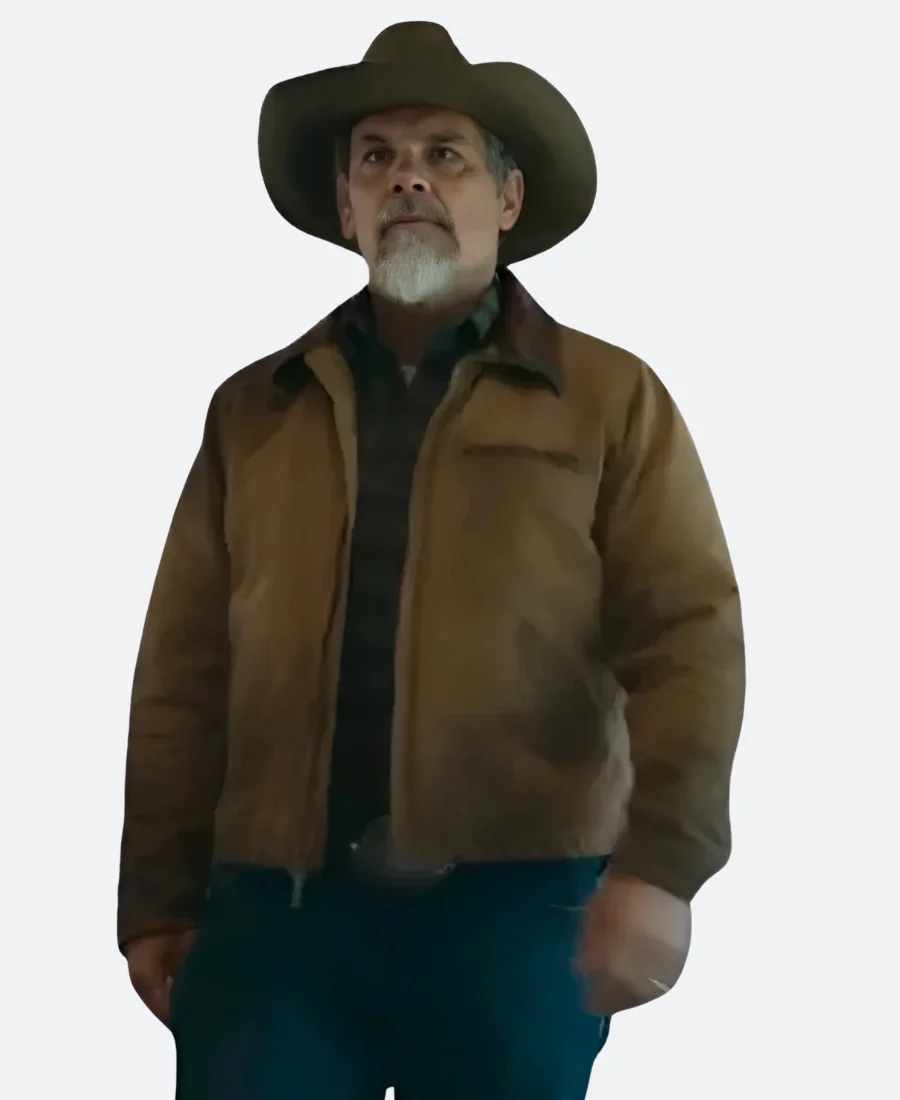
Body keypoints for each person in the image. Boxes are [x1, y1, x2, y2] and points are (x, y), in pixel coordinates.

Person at [118, 20, 745, 1100]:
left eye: (443, 153)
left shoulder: (610, 401)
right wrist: (158, 896)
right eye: (377, 157)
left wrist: (661, 865)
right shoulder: (255, 411)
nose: (407, 177)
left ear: (506, 198)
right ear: (346, 204)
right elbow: (182, 668)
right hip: (275, 921)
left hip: (518, 913)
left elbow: (690, 637)